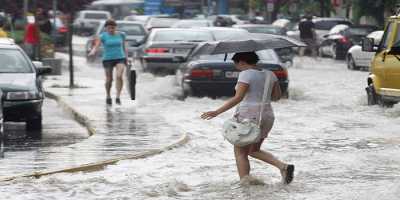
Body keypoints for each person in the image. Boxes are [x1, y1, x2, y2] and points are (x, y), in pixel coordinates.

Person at [201, 52, 294, 185]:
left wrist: (217, 112)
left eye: (236, 64)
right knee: (253, 150)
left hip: (248, 115)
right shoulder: (270, 74)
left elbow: (238, 97)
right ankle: (283, 167)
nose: (237, 67)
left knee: (240, 152)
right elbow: (277, 97)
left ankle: (245, 185)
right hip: (267, 115)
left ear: (242, 62)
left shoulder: (246, 73)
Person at [88, 19, 127, 106]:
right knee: (109, 79)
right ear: (106, 28)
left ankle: (118, 97)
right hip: (108, 59)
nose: (111, 30)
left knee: (119, 76)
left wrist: (127, 58)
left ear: (116, 27)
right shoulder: (103, 36)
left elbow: (124, 47)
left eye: (113, 28)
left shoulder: (121, 35)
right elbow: (96, 45)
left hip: (120, 58)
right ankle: (108, 96)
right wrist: (93, 51)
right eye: (109, 28)